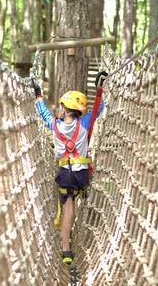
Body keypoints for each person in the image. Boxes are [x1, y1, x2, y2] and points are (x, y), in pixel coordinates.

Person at [33, 71, 108, 264]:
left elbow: (43, 113)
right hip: (81, 175)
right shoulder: (84, 123)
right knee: (72, 204)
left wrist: (38, 95)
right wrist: (99, 87)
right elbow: (99, 107)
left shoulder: (55, 125)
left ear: (65, 111)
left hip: (65, 174)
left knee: (67, 209)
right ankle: (70, 230)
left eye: (62, 107)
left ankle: (66, 249)